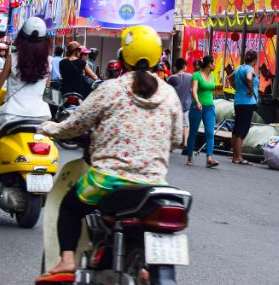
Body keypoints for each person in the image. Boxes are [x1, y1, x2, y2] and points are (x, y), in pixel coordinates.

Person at [37, 25, 183, 279]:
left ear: (123, 56)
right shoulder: (169, 93)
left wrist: (50, 128)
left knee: (69, 207)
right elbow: (177, 139)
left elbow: (75, 125)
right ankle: (145, 268)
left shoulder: (110, 89)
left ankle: (67, 261)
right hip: (154, 187)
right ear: (158, 57)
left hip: (109, 181)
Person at [0, 17, 53, 146]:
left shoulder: (12, 58)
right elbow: (47, 90)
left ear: (21, 38)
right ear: (45, 41)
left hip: (11, 115)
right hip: (41, 116)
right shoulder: (49, 61)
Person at [186, 56, 220, 168]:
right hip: (197, 107)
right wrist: (197, 102)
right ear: (209, 64)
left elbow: (212, 90)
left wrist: (219, 89)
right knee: (193, 133)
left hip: (210, 107)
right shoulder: (196, 75)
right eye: (214, 63)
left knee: (210, 132)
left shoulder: (213, 76)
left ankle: (209, 158)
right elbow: (193, 90)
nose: (215, 65)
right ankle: (190, 156)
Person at [231, 50, 259, 165]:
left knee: (237, 129)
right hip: (247, 103)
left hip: (238, 101)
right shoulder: (249, 69)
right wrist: (251, 90)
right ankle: (238, 157)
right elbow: (248, 78)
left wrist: (236, 89)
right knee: (243, 129)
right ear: (255, 60)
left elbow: (229, 78)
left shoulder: (239, 68)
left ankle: (235, 156)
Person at [168, 58, 192, 142]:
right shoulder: (190, 77)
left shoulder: (171, 78)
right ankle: (185, 141)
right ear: (184, 66)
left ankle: (172, 141)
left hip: (175, 105)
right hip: (186, 105)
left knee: (173, 123)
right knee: (186, 124)